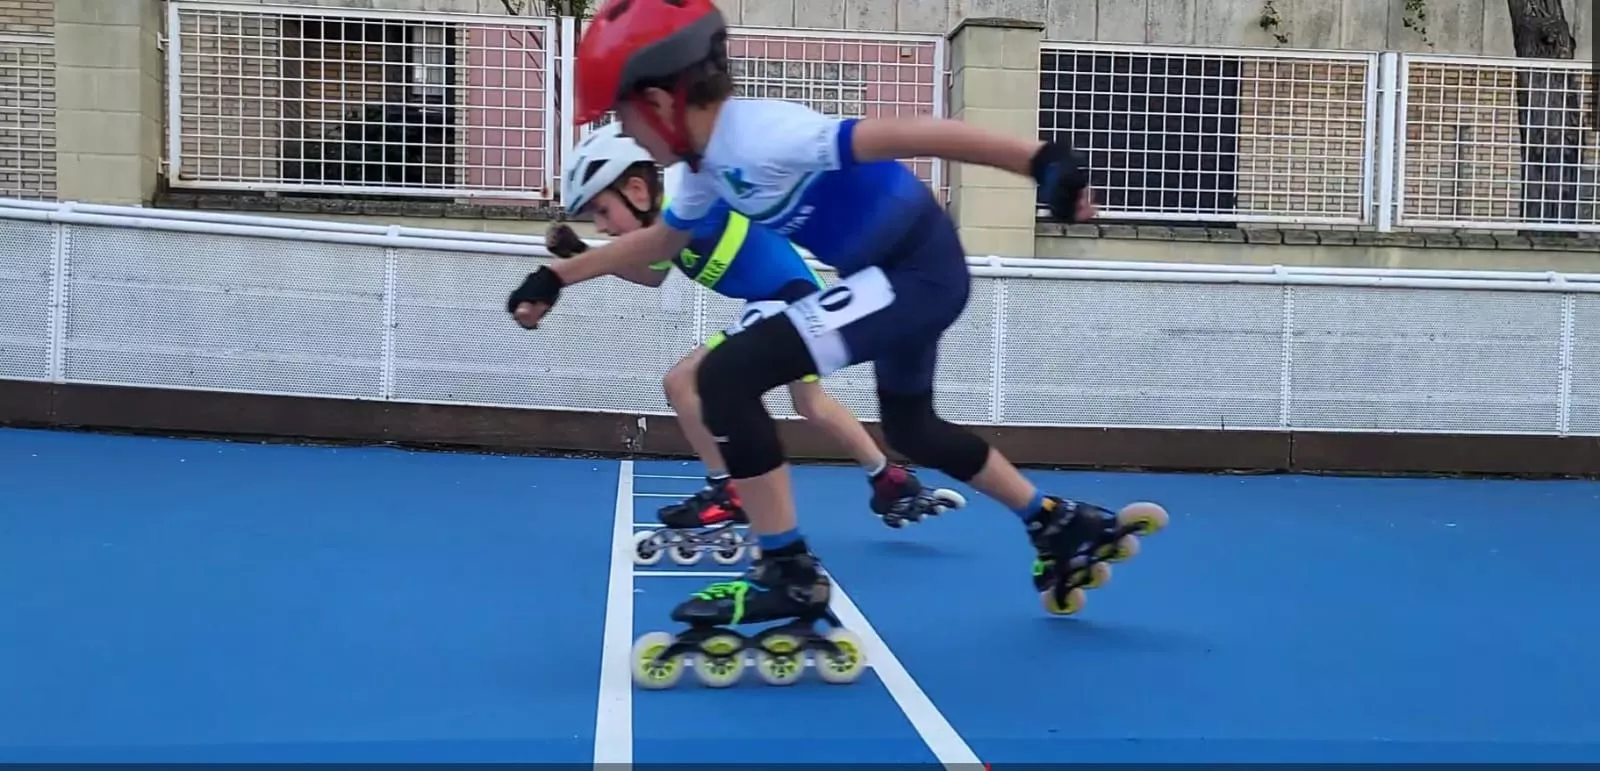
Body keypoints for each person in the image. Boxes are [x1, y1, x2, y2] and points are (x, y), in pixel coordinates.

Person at [506, 0, 1168, 686]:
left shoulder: (762, 135)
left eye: (622, 116)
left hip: (913, 273)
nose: (625, 132)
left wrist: (1041, 161)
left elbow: (913, 132)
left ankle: (786, 570)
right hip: (895, 275)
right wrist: (558, 275)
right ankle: (1056, 521)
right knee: (913, 427)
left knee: (725, 377)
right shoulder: (704, 170)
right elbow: (662, 242)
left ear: (658, 101)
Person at [549, 122, 965, 566]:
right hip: (787, 298)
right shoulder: (666, 224)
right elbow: (650, 276)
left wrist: (580, 260)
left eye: (602, 210)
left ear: (636, 189)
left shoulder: (688, 206)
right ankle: (889, 481)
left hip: (785, 299)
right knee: (811, 404)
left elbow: (654, 248)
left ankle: (726, 489)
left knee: (684, 382)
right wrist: (581, 256)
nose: (601, 225)